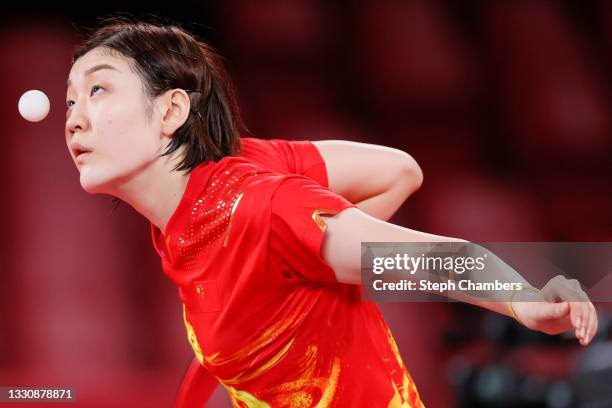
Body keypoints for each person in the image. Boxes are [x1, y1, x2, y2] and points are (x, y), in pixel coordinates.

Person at [65, 18, 598, 408]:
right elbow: (399, 171)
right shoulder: (226, 182)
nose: (74, 119)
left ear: (171, 111)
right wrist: (308, 278)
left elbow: (433, 260)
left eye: (98, 90)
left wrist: (526, 303)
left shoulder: (263, 208)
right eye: (70, 101)